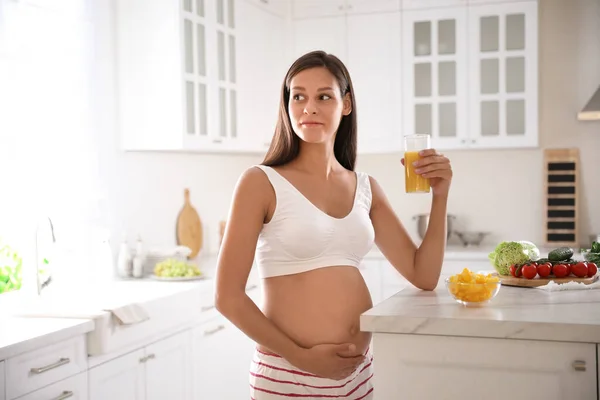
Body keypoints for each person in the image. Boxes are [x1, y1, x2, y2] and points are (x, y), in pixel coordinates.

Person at [214, 50, 453, 399]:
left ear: (346, 104)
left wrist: (440, 196)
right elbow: (227, 297)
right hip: (290, 374)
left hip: (359, 375)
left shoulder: (366, 187)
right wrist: (302, 357)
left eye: (324, 96)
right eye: (298, 96)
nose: (309, 107)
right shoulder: (260, 182)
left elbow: (424, 275)